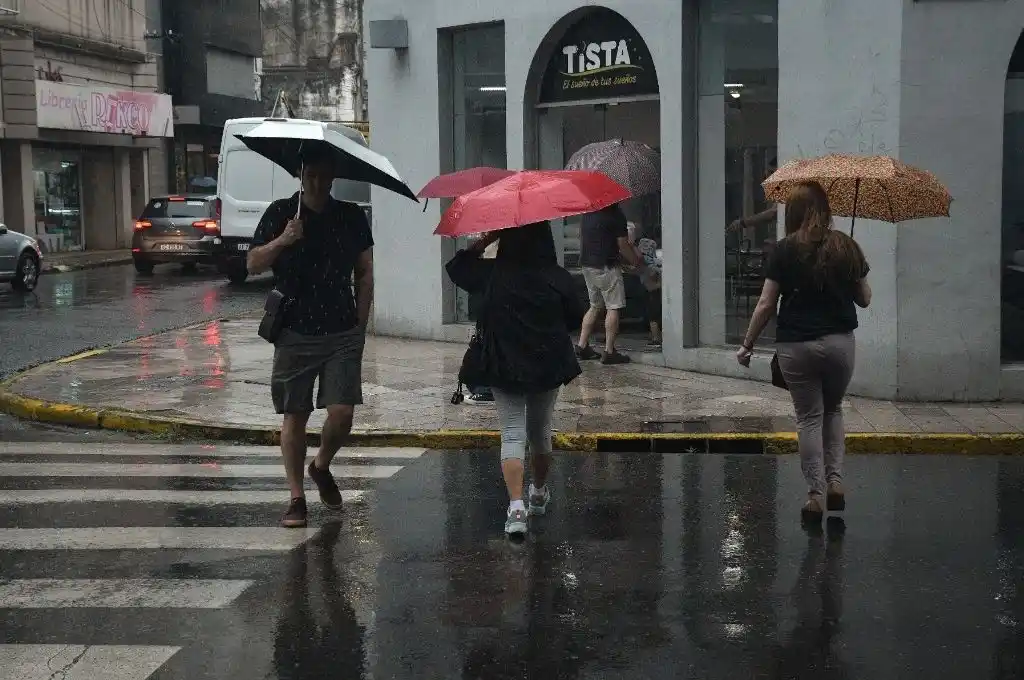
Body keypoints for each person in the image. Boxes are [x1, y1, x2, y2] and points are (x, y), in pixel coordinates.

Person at [246, 143, 374, 528]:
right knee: (294, 415)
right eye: (311, 176)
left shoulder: (350, 216)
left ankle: (321, 465)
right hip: (295, 328)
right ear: (301, 176)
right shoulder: (282, 214)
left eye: (324, 176)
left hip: (341, 327)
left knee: (342, 413)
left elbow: (364, 272)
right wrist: (284, 239)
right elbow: (251, 264)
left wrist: (361, 323)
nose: (317, 183)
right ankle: (296, 497)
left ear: (334, 176)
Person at [735, 181, 871, 524]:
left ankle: (814, 495)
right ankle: (836, 481)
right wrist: (854, 263)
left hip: (796, 346)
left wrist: (747, 343)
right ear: (826, 210)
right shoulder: (845, 246)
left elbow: (766, 303)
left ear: (792, 214)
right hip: (839, 344)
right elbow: (865, 299)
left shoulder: (783, 250)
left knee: (808, 417)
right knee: (833, 410)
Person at [446, 222, 584, 538]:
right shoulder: (557, 277)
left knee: (511, 432)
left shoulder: (493, 273)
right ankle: (538, 490)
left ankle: (516, 508)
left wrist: (485, 239)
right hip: (546, 364)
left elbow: (456, 268)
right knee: (540, 430)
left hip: (503, 363)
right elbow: (575, 318)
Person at [575, 203, 641, 365]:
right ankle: (609, 351)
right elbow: (623, 245)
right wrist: (635, 261)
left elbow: (581, 237)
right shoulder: (615, 214)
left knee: (595, 305)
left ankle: (582, 346)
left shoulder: (588, 212)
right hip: (607, 265)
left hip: (587, 264)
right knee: (613, 306)